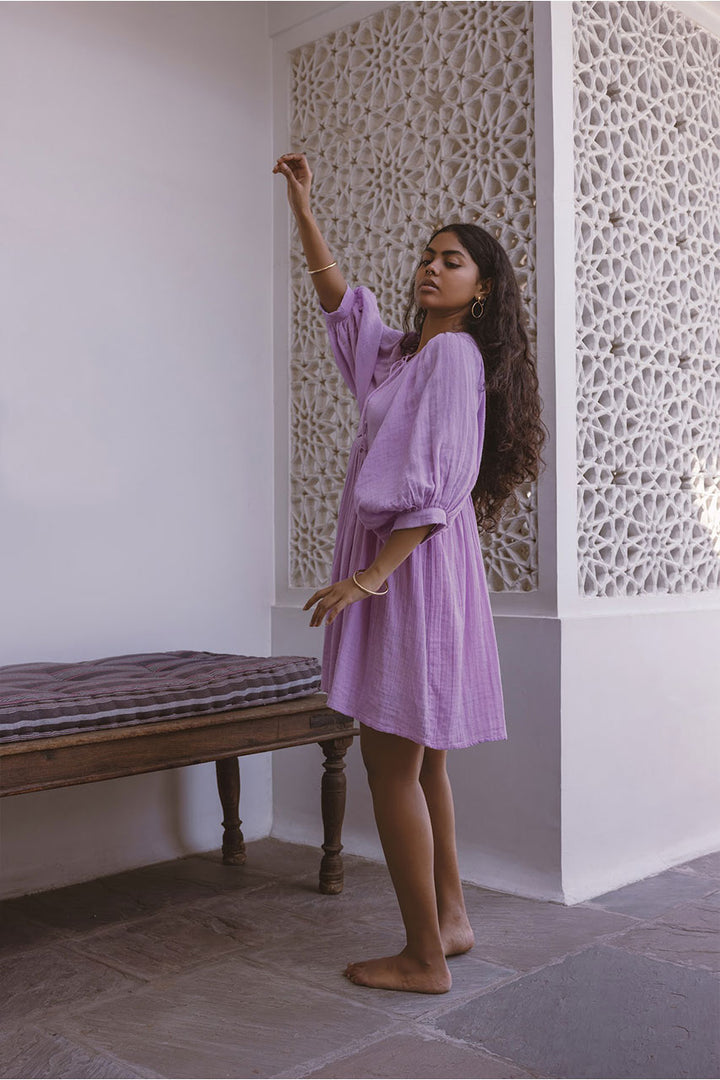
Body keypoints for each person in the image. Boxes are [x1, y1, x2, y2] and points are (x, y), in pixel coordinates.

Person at [273, 152, 545, 994]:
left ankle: (423, 958)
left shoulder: (452, 357)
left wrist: (368, 578)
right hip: (414, 569)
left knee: (390, 765)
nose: (432, 268)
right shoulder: (404, 355)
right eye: (427, 256)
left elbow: (437, 487)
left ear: (481, 288)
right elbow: (343, 311)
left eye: (451, 260)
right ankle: (451, 922)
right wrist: (304, 211)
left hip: (409, 571)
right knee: (424, 765)